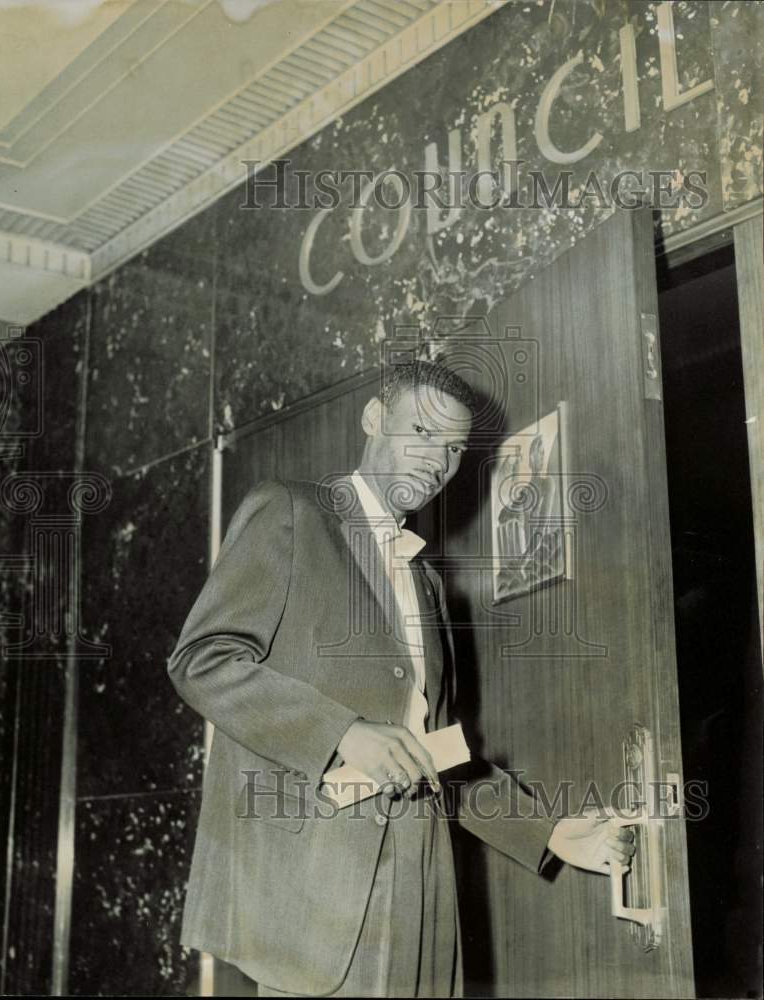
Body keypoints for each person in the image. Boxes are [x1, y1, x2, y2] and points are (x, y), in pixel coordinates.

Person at [167, 360, 634, 998]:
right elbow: (203, 660)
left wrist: (547, 830)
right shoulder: (291, 512)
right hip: (315, 901)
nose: (434, 460)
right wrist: (344, 733)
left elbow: (435, 750)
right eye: (420, 430)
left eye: (451, 449)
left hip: (423, 880)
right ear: (373, 419)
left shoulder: (428, 583)